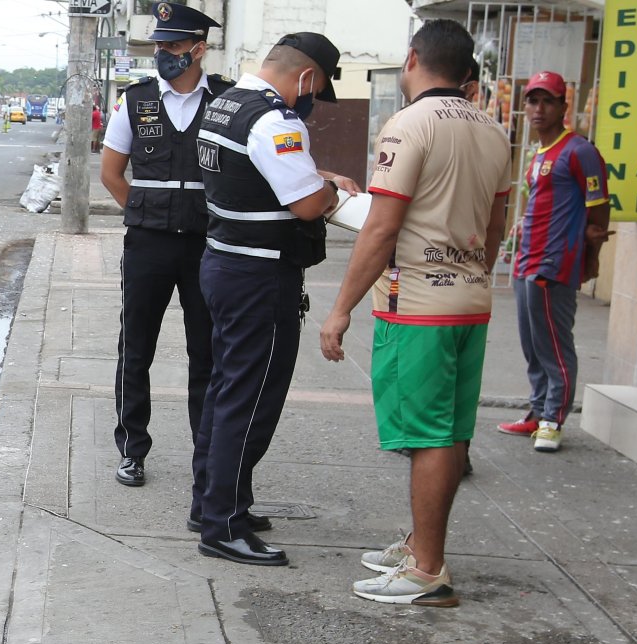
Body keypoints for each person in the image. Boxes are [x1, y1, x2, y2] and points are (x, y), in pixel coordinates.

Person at [319, 19, 512, 605]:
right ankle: (422, 544)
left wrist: (340, 309)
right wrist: (471, 272)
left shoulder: (408, 125)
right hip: (469, 301)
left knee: (427, 437)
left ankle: (428, 569)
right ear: (466, 71)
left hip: (418, 305)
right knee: (450, 434)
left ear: (412, 59)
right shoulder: (493, 129)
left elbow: (380, 226)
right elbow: (496, 225)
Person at [193, 32, 357, 566]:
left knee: (225, 391)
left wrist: (317, 176)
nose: (312, 100)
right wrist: (335, 191)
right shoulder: (274, 119)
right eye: (319, 88)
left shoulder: (224, 105)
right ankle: (223, 525)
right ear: (308, 78)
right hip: (259, 278)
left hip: (224, 263)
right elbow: (309, 205)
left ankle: (213, 501)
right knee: (251, 398)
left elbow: (256, 177)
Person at [100, 2, 235, 491]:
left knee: (208, 354)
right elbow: (112, 173)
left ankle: (207, 454)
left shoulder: (226, 100)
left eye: (173, 46)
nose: (163, 53)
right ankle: (132, 450)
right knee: (136, 349)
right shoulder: (135, 101)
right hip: (149, 246)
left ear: (199, 48)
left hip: (208, 247)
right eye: (159, 45)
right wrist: (144, 212)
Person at [497, 71, 610, 452]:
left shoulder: (579, 151)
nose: (539, 109)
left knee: (555, 346)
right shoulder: (538, 154)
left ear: (564, 106)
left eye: (548, 101)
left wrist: (589, 259)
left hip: (555, 264)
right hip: (526, 262)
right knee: (532, 345)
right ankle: (536, 412)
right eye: (532, 101)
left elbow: (599, 211)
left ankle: (552, 419)